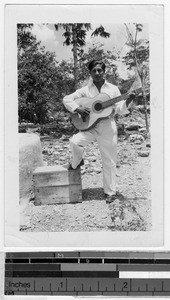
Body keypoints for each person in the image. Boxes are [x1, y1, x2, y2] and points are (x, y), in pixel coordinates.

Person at [63, 59, 135, 203]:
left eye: (99, 70)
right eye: (94, 70)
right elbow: (67, 99)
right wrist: (77, 108)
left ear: (104, 71)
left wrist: (130, 99)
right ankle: (77, 161)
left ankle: (110, 192)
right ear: (90, 72)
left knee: (109, 160)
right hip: (89, 126)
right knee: (75, 141)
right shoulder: (85, 90)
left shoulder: (113, 89)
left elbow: (120, 109)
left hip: (107, 126)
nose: (97, 73)